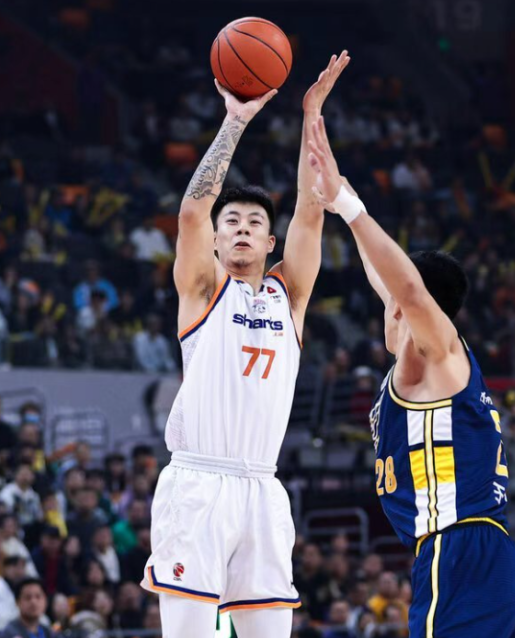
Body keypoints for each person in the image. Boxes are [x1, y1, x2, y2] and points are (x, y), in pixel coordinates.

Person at [303, 115, 515, 637]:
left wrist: (348, 206)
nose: (385, 306)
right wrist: (343, 197)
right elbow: (389, 281)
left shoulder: (439, 351)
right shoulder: (428, 357)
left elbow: (406, 290)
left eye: (394, 302)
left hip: (461, 550)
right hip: (487, 553)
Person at [141, 52, 350, 638]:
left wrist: (312, 115)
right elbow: (191, 212)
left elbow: (311, 211)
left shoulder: (290, 296)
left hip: (262, 486)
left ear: (269, 243)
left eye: (254, 223)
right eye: (230, 221)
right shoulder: (203, 290)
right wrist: (235, 121)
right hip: (197, 483)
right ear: (215, 240)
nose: (240, 228)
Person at [0, 556, 26, 629]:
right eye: (15, 567)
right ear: (5, 568)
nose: (19, 571)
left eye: (22, 567)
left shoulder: (24, 587)